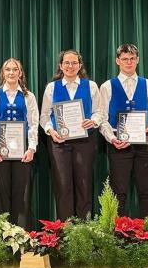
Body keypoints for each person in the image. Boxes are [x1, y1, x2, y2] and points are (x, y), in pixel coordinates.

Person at [94, 44, 148, 218]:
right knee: (119, 192)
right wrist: (111, 138)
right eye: (124, 59)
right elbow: (102, 118)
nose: (129, 62)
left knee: (146, 191)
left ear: (137, 60)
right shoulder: (107, 87)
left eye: (132, 58)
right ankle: (121, 236)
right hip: (118, 145)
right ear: (117, 61)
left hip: (145, 144)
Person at [39, 49, 102, 220]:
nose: (70, 66)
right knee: (63, 186)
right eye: (66, 62)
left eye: (74, 62)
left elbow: (99, 112)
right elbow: (44, 116)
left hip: (85, 141)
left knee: (84, 185)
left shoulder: (91, 86)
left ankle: (84, 230)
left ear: (80, 65)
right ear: (60, 66)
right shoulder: (52, 88)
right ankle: (65, 230)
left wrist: (93, 121)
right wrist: (50, 131)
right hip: (59, 143)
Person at [0, 58, 38, 229]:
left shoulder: (29, 97)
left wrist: (31, 148)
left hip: (23, 154)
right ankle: (2, 235)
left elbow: (33, 124)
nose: (12, 73)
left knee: (21, 194)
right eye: (8, 69)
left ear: (20, 73)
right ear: (3, 73)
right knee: (1, 194)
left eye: (15, 69)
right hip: (0, 153)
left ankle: (21, 236)